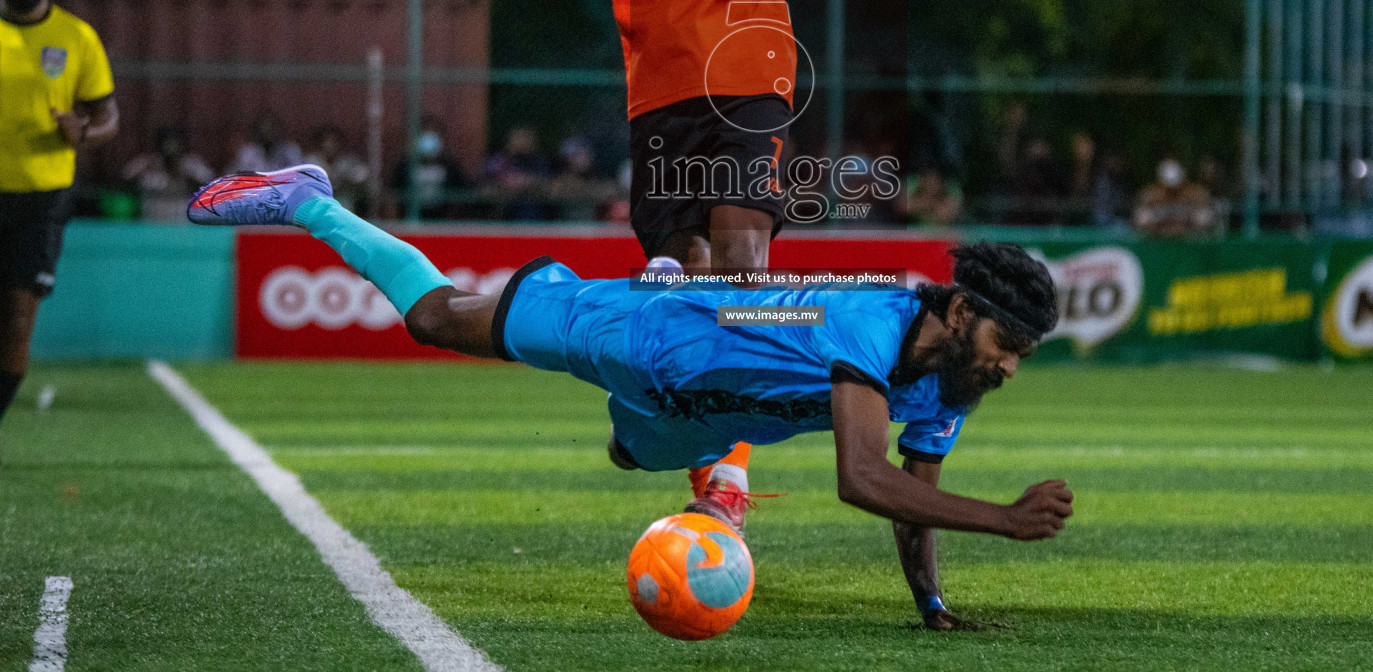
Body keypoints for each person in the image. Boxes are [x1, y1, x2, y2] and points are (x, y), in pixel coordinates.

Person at [185, 164, 1073, 630]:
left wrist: (932, 604)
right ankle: (311, 203)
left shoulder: (949, 384)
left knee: (625, 451)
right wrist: (1004, 518)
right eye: (1006, 346)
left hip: (695, 408)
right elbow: (864, 481)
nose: (1009, 368)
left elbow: (911, 499)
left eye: (1023, 355)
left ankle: (712, 455)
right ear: (959, 311)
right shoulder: (871, 326)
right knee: (435, 319)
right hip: (642, 335)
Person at [434, 0, 848, 522]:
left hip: (749, 77)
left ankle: (729, 483)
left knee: (739, 266)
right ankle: (706, 458)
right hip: (657, 95)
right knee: (685, 282)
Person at [0, 0, 118, 429]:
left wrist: (84, 131)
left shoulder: (76, 37)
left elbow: (110, 118)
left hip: (41, 201)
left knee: (16, 325)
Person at [122, 126, 215, 223]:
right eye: (166, 142)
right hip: (150, 221)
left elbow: (211, 187)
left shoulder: (191, 165)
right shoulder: (145, 163)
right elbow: (123, 185)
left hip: (181, 224)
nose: (170, 148)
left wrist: (186, 178)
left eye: (174, 143)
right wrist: (142, 175)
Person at [390, 116, 470, 220]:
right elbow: (392, 196)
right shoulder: (404, 167)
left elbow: (462, 195)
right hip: (411, 221)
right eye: (424, 138)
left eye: (433, 138)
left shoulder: (451, 167)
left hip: (442, 221)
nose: (428, 143)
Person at [1133, 156, 1217, 238]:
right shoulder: (1151, 194)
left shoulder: (1195, 193)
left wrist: (1185, 227)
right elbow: (1141, 218)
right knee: (1143, 215)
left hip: (1189, 234)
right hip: (1158, 233)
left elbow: (1205, 218)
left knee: (1203, 216)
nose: (1172, 191)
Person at [302, 124, 370, 213]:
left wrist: (346, 181)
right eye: (327, 142)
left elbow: (362, 176)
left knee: (344, 204)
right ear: (320, 144)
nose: (331, 146)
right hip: (317, 199)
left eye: (334, 142)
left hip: (342, 198)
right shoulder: (311, 161)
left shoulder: (348, 161)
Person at [228, 110, 302, 175]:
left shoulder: (290, 151)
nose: (268, 132)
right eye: (264, 128)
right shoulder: (247, 153)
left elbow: (300, 176)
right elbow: (234, 176)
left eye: (271, 127)